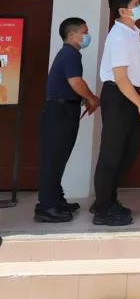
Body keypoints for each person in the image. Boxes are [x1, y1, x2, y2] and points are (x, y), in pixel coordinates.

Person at [92, 0, 140, 227]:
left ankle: (108, 199)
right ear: (123, 11)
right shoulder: (118, 36)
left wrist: (139, 96)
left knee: (129, 150)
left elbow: (131, 77)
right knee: (112, 152)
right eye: (136, 4)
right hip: (118, 95)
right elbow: (121, 77)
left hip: (129, 94)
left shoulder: (132, 32)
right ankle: (102, 210)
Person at [35, 18, 100, 223]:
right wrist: (91, 98)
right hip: (59, 112)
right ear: (72, 35)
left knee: (59, 158)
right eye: (84, 32)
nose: (87, 35)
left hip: (64, 110)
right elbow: (76, 82)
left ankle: (56, 200)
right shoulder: (70, 54)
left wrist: (86, 98)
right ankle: (46, 207)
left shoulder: (69, 54)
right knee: (53, 160)